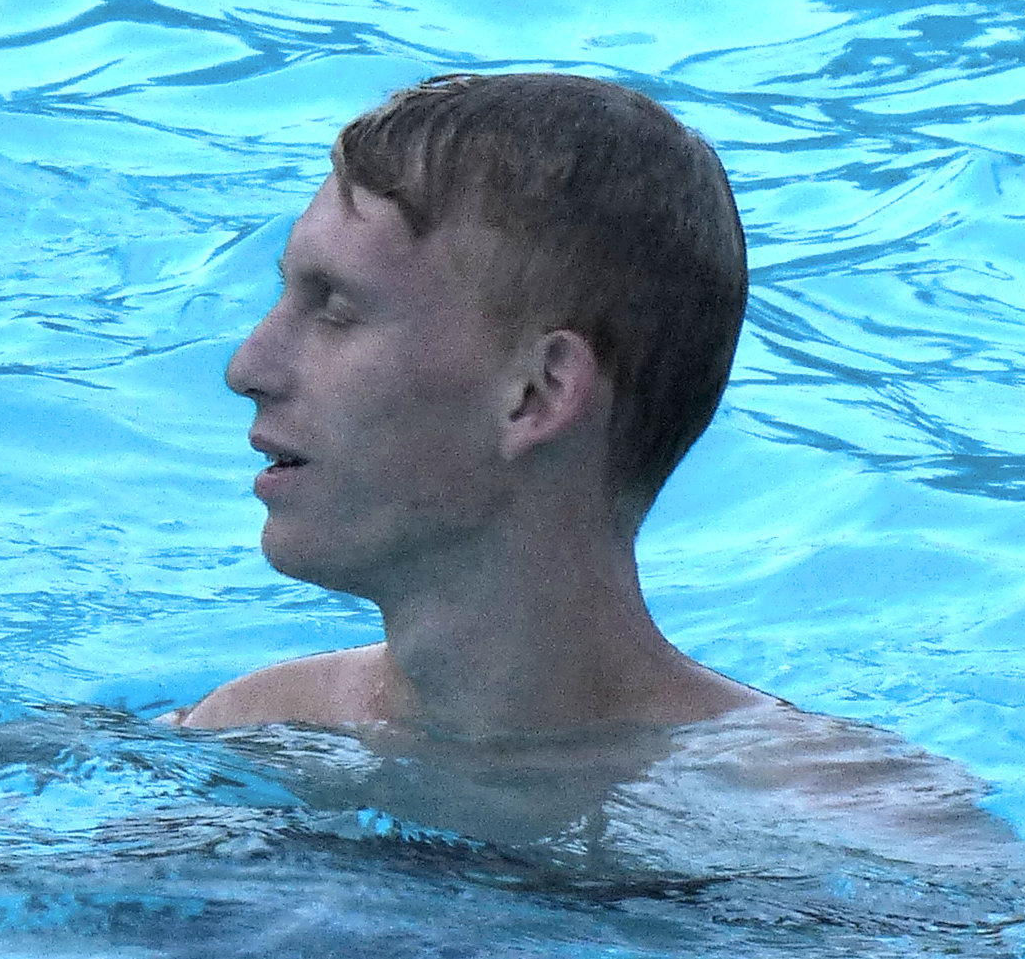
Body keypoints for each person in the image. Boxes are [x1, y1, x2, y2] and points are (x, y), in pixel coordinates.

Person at [180, 71, 760, 741]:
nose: (246, 369)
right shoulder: (244, 732)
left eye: (336, 308)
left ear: (537, 394)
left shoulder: (805, 799)